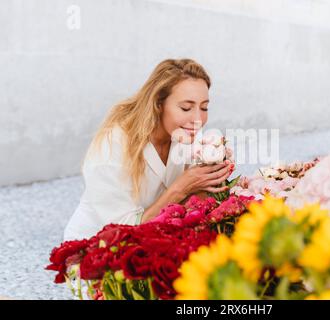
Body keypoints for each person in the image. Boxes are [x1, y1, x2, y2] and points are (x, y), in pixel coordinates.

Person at [64, 59, 234, 240]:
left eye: (204, 107)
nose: (198, 119)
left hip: (155, 240)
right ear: (158, 104)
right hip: (98, 247)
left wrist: (214, 180)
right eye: (186, 108)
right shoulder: (114, 145)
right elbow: (124, 231)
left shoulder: (186, 135)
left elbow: (196, 203)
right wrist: (180, 188)